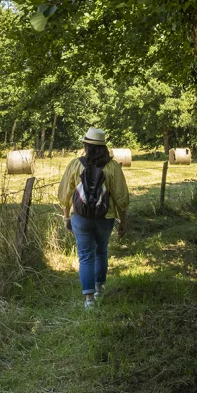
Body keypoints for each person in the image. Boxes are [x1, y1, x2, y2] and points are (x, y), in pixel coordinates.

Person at [58, 127, 130, 307]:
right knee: (101, 251)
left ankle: (89, 300)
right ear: (103, 147)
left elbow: (64, 194)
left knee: (85, 256)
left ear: (86, 146)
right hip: (105, 217)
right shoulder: (112, 167)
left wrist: (66, 218)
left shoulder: (75, 165)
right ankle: (99, 289)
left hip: (80, 217)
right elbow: (121, 197)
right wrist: (123, 221)